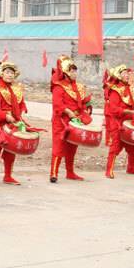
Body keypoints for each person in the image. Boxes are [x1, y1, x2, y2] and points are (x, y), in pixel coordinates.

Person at [0, 60, 28, 186]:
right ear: (2, 74)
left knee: (11, 151)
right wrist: (6, 116)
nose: (10, 75)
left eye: (12, 73)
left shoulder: (16, 89)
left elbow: (21, 104)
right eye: (7, 72)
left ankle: (8, 176)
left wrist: (20, 114)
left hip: (13, 124)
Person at [49, 55, 92, 183]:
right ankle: (54, 173)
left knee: (72, 147)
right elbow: (57, 105)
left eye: (75, 70)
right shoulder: (58, 86)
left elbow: (84, 102)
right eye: (72, 71)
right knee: (59, 146)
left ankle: (70, 172)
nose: (74, 73)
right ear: (66, 73)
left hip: (75, 120)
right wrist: (69, 112)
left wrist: (87, 108)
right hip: (61, 121)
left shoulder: (79, 87)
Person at [104, 65, 134, 179]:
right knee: (115, 146)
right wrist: (127, 111)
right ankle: (109, 170)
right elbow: (114, 109)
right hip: (117, 122)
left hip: (128, 122)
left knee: (132, 147)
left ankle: (130, 168)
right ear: (119, 75)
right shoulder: (115, 90)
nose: (127, 75)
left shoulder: (130, 88)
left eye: (128, 73)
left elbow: (133, 105)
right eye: (124, 73)